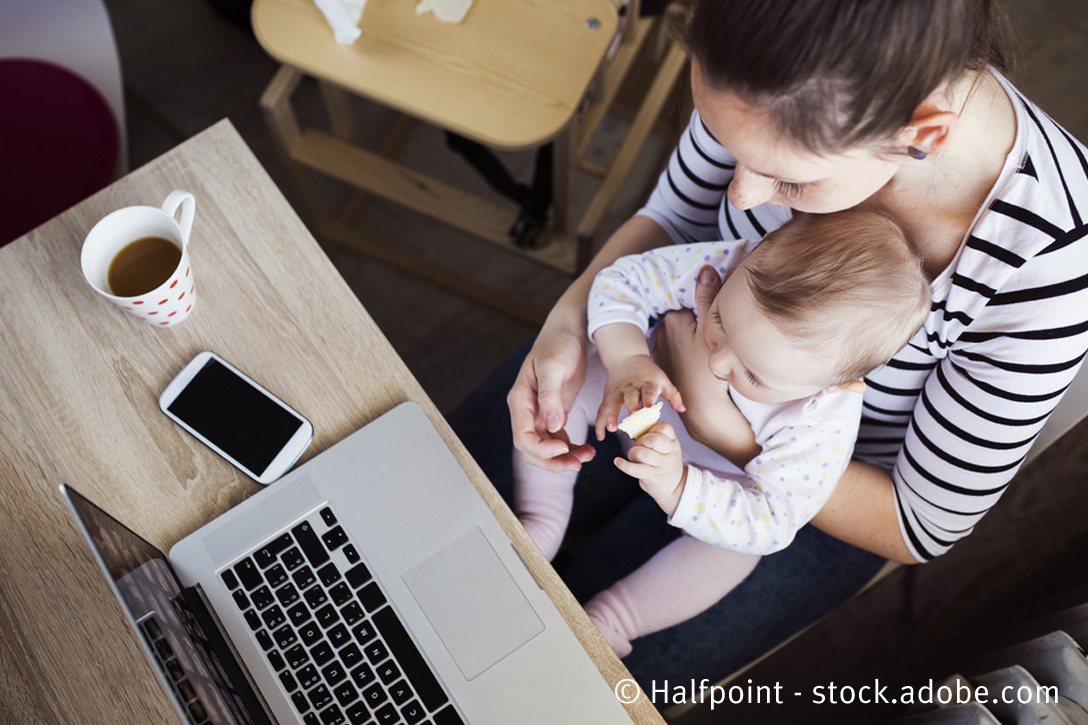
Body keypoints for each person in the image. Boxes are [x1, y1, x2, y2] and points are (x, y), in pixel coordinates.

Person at [448, 0, 1088, 687]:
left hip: (811, 492)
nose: (746, 197)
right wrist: (569, 321)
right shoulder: (770, 56)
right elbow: (672, 216)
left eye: (791, 179)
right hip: (650, 349)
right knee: (449, 518)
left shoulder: (1053, 261)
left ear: (922, 133)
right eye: (734, 150)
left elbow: (917, 523)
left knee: (558, 678)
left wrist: (725, 425)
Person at [513, 209, 930, 656]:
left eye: (751, 375)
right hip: (638, 396)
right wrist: (627, 360)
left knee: (737, 551)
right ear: (755, 252)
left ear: (835, 384)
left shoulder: (824, 418)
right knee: (569, 384)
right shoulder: (733, 263)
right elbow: (622, 281)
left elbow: (772, 518)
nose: (715, 364)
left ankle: (614, 620)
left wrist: (679, 487)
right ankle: (541, 518)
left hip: (718, 479)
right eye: (721, 324)